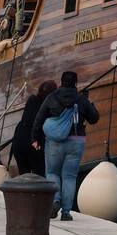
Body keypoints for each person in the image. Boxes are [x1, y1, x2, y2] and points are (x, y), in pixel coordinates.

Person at [31, 70, 99, 221]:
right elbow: (94, 118)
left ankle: (55, 201)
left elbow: (39, 118)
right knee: (69, 177)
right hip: (76, 142)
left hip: (54, 142)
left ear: (61, 82)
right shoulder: (81, 99)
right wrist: (90, 103)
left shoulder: (52, 97)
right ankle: (66, 213)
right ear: (75, 83)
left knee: (52, 173)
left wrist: (35, 138)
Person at [10, 80, 56, 175]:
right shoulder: (48, 107)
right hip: (34, 144)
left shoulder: (31, 100)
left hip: (19, 141)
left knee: (24, 174)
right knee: (39, 175)